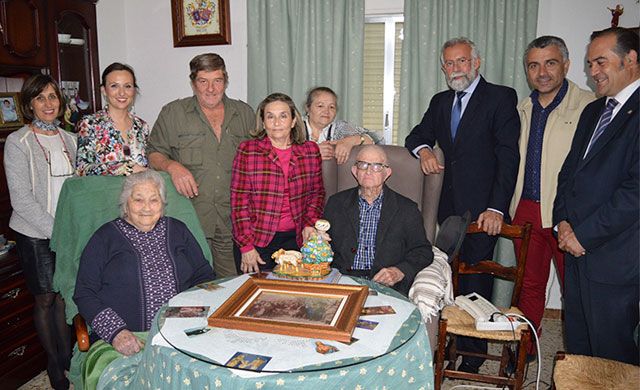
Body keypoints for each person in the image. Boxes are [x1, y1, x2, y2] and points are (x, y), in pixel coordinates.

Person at [404, 37, 520, 372]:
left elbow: (508, 156)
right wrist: (425, 150)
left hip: (485, 210)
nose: (456, 68)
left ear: (476, 63)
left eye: (462, 61)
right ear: (443, 68)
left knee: (477, 281)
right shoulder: (441, 101)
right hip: (450, 211)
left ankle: (474, 355)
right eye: (449, 63)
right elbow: (416, 135)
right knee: (452, 277)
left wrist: (497, 207)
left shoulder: (500, 97)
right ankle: (454, 339)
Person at [553, 27, 639, 365]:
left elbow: (634, 192)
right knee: (578, 339)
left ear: (631, 60)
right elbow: (569, 173)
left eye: (601, 62)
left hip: (613, 255)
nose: (592, 72)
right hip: (575, 248)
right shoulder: (594, 111)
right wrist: (562, 221)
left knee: (611, 353)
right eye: (590, 64)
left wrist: (584, 235)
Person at [509, 36, 595, 358]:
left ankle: (577, 359)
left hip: (568, 216)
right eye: (534, 65)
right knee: (529, 287)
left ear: (566, 65)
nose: (542, 72)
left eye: (550, 63)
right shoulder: (522, 107)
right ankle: (526, 353)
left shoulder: (589, 106)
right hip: (526, 210)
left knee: (575, 292)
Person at [74, 170, 214, 357]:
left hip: (182, 330)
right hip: (128, 337)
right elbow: (84, 292)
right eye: (138, 200)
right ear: (126, 204)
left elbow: (204, 273)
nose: (146, 207)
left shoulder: (177, 229)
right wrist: (116, 333)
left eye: (154, 200)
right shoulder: (105, 237)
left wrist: (193, 312)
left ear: (162, 204)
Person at [147, 53, 255, 277]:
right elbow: (154, 153)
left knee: (230, 285)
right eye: (203, 81)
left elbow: (262, 155)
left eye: (217, 81)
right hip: (189, 218)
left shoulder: (244, 113)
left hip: (232, 221)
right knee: (189, 284)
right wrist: (172, 166)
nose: (211, 89)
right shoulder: (173, 113)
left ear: (226, 80)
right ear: (193, 83)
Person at [4, 74, 77, 390]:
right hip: (35, 233)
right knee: (46, 298)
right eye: (41, 98)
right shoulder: (17, 142)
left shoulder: (70, 139)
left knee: (64, 299)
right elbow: (20, 199)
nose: (48, 104)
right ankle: (53, 365)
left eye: (53, 97)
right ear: (29, 104)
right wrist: (54, 231)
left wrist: (71, 230)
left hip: (67, 232)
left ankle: (68, 361)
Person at [231, 93, 325, 273]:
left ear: (292, 121)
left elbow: (317, 194)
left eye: (283, 116)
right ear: (263, 122)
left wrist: (309, 223)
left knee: (295, 297)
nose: (276, 122)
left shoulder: (310, 151)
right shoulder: (248, 151)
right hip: (257, 241)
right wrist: (245, 246)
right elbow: (239, 201)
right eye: (270, 116)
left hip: (297, 240)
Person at [323, 145, 433, 295]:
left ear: (387, 173)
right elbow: (324, 244)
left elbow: (423, 251)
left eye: (376, 166)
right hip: (343, 283)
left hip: (385, 287)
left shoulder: (407, 209)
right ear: (355, 171)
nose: (368, 171)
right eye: (363, 165)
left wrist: (399, 271)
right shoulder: (336, 203)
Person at [76, 62, 150, 176]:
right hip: (104, 192)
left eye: (127, 86)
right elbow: (82, 169)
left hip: (137, 192)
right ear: (104, 90)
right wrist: (123, 168)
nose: (122, 92)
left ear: (134, 91)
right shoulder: (89, 124)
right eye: (114, 86)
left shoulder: (142, 126)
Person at [304, 86, 382, 164]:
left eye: (332, 107)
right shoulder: (295, 127)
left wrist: (351, 141)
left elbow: (379, 139)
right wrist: (312, 151)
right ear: (308, 108)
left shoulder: (340, 128)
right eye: (320, 106)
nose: (326, 111)